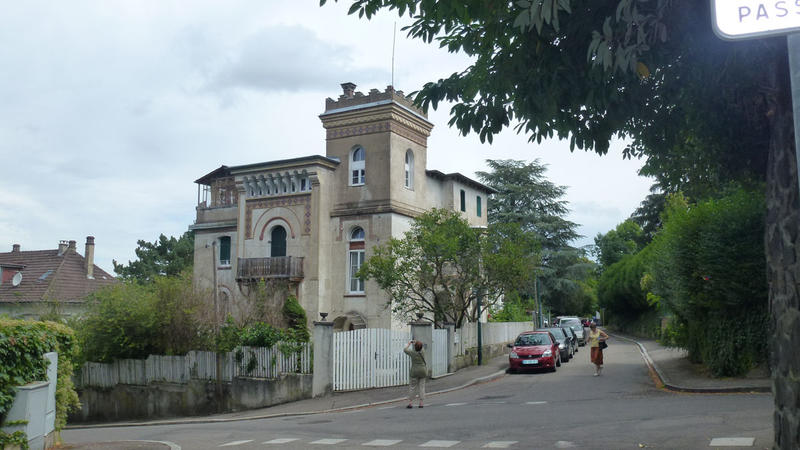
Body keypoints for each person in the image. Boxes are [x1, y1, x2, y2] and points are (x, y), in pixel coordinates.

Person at [404, 340, 427, 408]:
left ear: (415, 347)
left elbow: (405, 350)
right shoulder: (423, 352)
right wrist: (416, 343)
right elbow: (420, 347)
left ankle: (410, 403)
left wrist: (409, 343)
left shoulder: (412, 353)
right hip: (422, 371)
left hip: (414, 371)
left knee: (412, 387)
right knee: (422, 387)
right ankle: (421, 403)